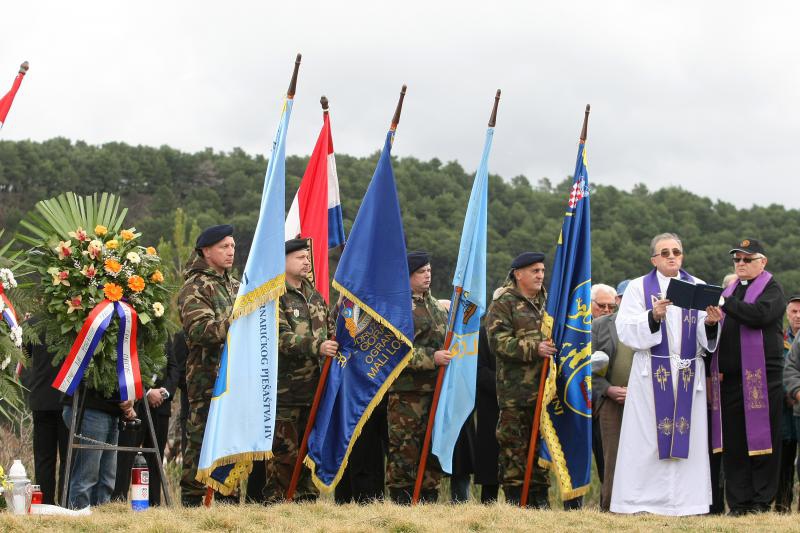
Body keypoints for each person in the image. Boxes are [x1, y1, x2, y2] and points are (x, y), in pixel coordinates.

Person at [611, 233, 721, 516]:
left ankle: (686, 502)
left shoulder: (696, 286)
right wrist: (653, 316)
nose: (672, 256)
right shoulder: (638, 288)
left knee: (687, 439)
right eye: (665, 252)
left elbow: (702, 337)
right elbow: (625, 328)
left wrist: (709, 323)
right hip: (652, 373)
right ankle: (640, 501)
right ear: (654, 259)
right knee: (647, 439)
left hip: (686, 371)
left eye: (676, 251)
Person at [248, 238, 337, 503]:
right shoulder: (275, 295)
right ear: (283, 262)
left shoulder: (313, 294)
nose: (307, 262)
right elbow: (279, 338)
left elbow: (330, 328)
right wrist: (317, 346)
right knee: (284, 454)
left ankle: (306, 502)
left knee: (310, 451)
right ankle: (277, 504)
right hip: (284, 390)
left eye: (307, 257)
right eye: (300, 257)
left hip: (316, 389)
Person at [712, 239, 785, 515]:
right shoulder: (730, 290)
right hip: (730, 378)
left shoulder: (772, 288)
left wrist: (726, 303)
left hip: (762, 376)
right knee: (735, 441)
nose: (740, 264)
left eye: (747, 259)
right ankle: (739, 501)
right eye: (737, 260)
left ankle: (760, 500)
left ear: (762, 262)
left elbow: (760, 316)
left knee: (763, 439)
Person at [485, 251, 555, 508]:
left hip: (545, 390)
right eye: (535, 271)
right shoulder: (504, 302)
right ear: (518, 274)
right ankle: (516, 505)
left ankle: (541, 502)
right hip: (516, 393)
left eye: (542, 271)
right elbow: (497, 342)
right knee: (514, 450)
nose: (540, 275)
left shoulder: (549, 301)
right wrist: (534, 348)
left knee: (540, 450)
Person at [177, 224, 239, 507]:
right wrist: (240, 323)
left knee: (232, 443)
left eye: (233, 246)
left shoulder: (237, 287)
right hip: (208, 379)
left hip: (237, 379)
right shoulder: (195, 286)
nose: (230, 252)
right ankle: (193, 500)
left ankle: (228, 498)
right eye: (224, 247)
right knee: (202, 441)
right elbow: (200, 331)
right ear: (206, 251)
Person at [386, 251, 451, 504]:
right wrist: (431, 358)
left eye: (429, 271)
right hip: (406, 393)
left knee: (430, 449)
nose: (428, 276)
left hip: (436, 391)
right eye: (421, 272)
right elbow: (393, 351)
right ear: (408, 275)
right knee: (405, 450)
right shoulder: (398, 306)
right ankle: (401, 504)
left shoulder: (436, 306)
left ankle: (428, 500)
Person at [112, 334, 181, 506]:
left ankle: (154, 504)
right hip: (135, 407)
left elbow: (174, 368)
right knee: (126, 456)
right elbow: (128, 365)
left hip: (161, 407)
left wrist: (164, 393)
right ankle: (118, 503)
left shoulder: (163, 331)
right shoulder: (133, 329)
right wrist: (148, 392)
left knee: (155, 460)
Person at [591, 280, 635, 511]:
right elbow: (587, 366)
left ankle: (641, 507)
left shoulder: (649, 325)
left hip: (643, 402)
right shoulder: (599, 325)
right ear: (618, 300)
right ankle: (609, 508)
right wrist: (608, 389)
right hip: (611, 401)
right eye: (624, 297)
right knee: (612, 459)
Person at [62, 386, 136, 509]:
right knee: (86, 477)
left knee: (106, 480)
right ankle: (79, 519)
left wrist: (130, 395)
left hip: (113, 411)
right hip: (90, 406)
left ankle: (101, 520)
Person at [21, 317, 68, 505]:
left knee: (43, 459)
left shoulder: (31, 324)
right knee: (67, 458)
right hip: (66, 399)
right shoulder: (73, 322)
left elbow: (26, 356)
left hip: (41, 397)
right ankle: (65, 503)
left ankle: (44, 504)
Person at [775, 295, 800, 512]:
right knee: (784, 459)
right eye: (793, 311)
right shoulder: (778, 340)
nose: (798, 316)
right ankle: (782, 506)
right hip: (784, 409)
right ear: (786, 314)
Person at [474, 325, 500, 504]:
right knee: (490, 469)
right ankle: (487, 509)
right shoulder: (485, 332)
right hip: (491, 408)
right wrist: (507, 385)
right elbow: (478, 371)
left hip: (524, 404)